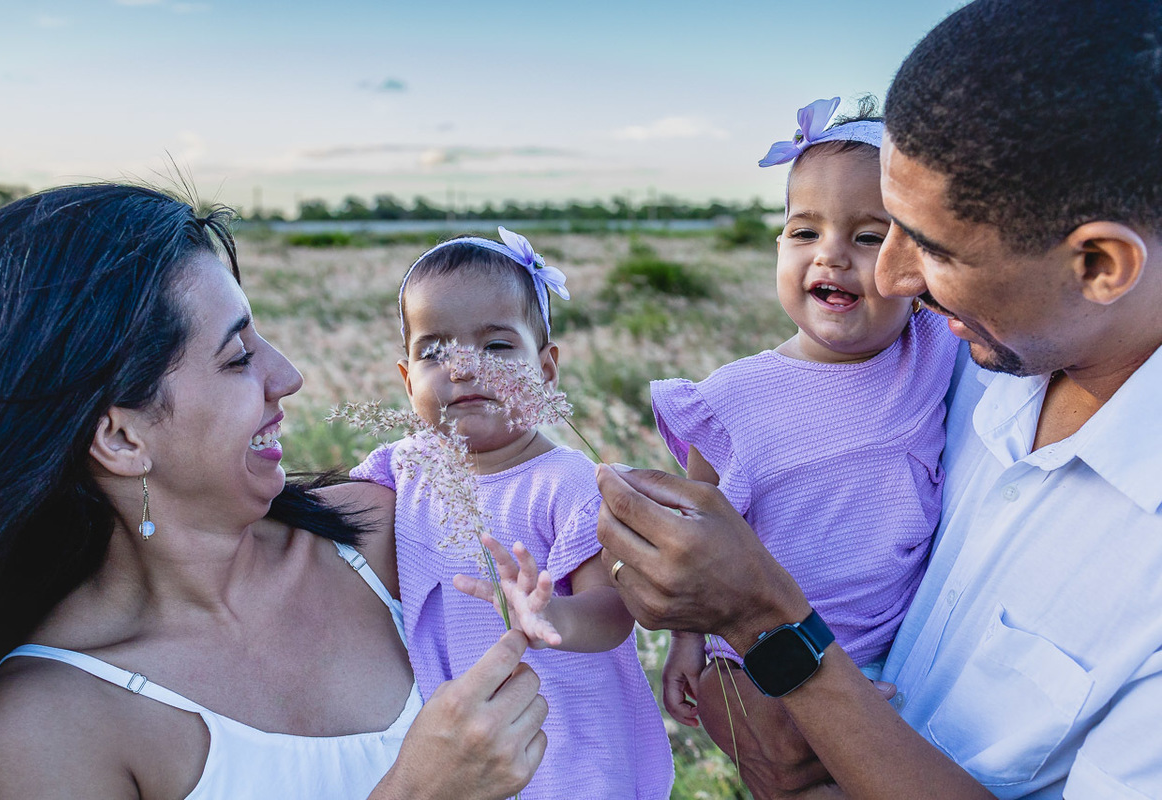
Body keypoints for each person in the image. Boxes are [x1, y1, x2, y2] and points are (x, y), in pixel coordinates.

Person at [595, 0, 1162, 797]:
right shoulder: (971, 354)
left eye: (930, 247)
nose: (895, 281)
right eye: (885, 230)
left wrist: (772, 634)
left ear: (1100, 265)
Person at [0, 184, 547, 799]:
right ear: (121, 438)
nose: (288, 376)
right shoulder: (44, 729)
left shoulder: (389, 531)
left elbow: (570, 579)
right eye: (238, 357)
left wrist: (652, 591)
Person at [651, 97, 956, 763]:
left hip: (899, 657)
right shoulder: (734, 396)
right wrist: (686, 640)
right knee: (788, 763)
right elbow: (698, 529)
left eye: (869, 236)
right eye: (805, 232)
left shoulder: (935, 346)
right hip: (766, 657)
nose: (833, 257)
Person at [349, 228, 673, 799]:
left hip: (568, 745)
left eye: (497, 347)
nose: (465, 369)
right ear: (406, 379)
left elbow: (615, 610)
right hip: (456, 749)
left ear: (547, 370)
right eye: (434, 352)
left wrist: (553, 620)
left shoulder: (569, 483)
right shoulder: (400, 469)